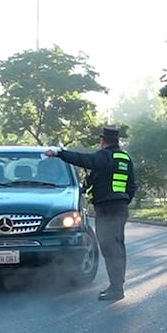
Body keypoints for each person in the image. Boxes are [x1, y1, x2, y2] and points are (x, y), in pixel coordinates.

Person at [45, 126, 136, 301]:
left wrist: (59, 153)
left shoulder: (104, 156)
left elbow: (83, 159)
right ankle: (117, 286)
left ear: (103, 141)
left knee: (110, 248)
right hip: (120, 207)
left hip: (107, 209)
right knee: (117, 247)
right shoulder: (125, 158)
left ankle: (116, 289)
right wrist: (123, 200)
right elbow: (132, 186)